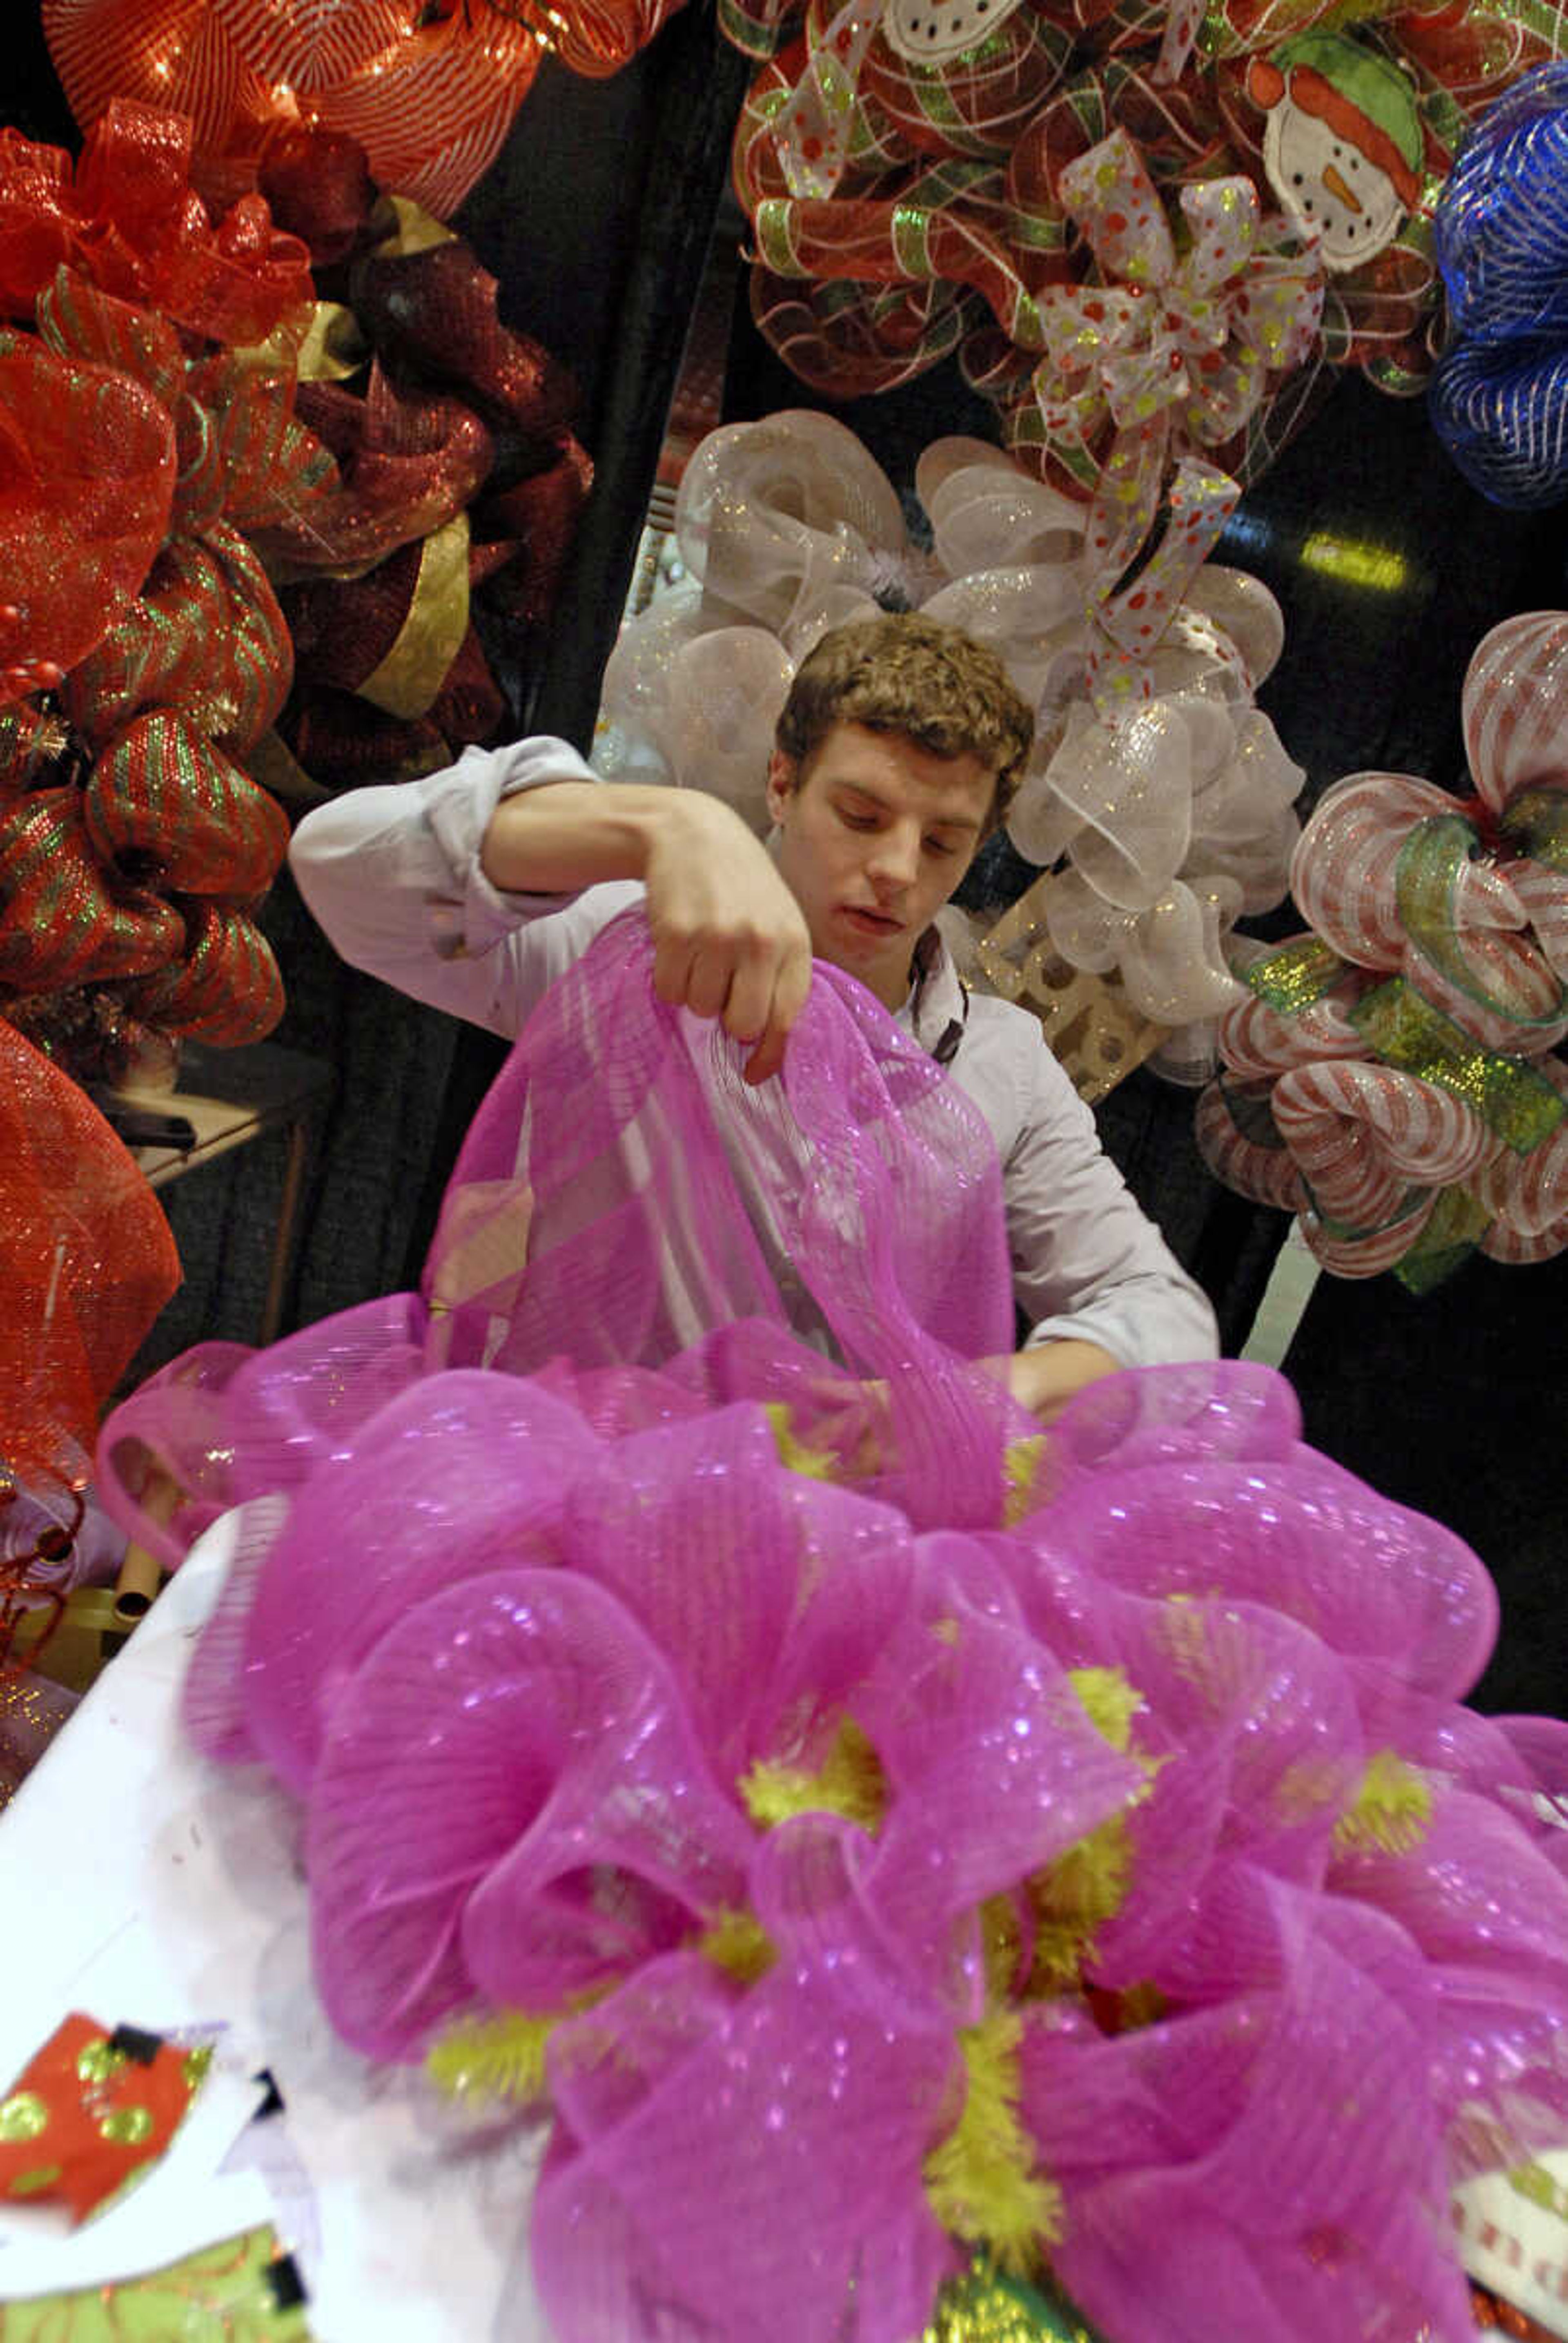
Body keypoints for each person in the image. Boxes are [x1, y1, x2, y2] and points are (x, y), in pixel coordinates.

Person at [290, 613, 1218, 1421]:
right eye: (861, 816)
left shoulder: (1002, 1069)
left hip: (827, 1541)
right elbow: (342, 874)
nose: (899, 870)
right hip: (577, 1498)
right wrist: (662, 827)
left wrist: (984, 1394)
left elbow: (1163, 1313)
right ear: (782, 783)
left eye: (941, 842)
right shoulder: (622, 949)